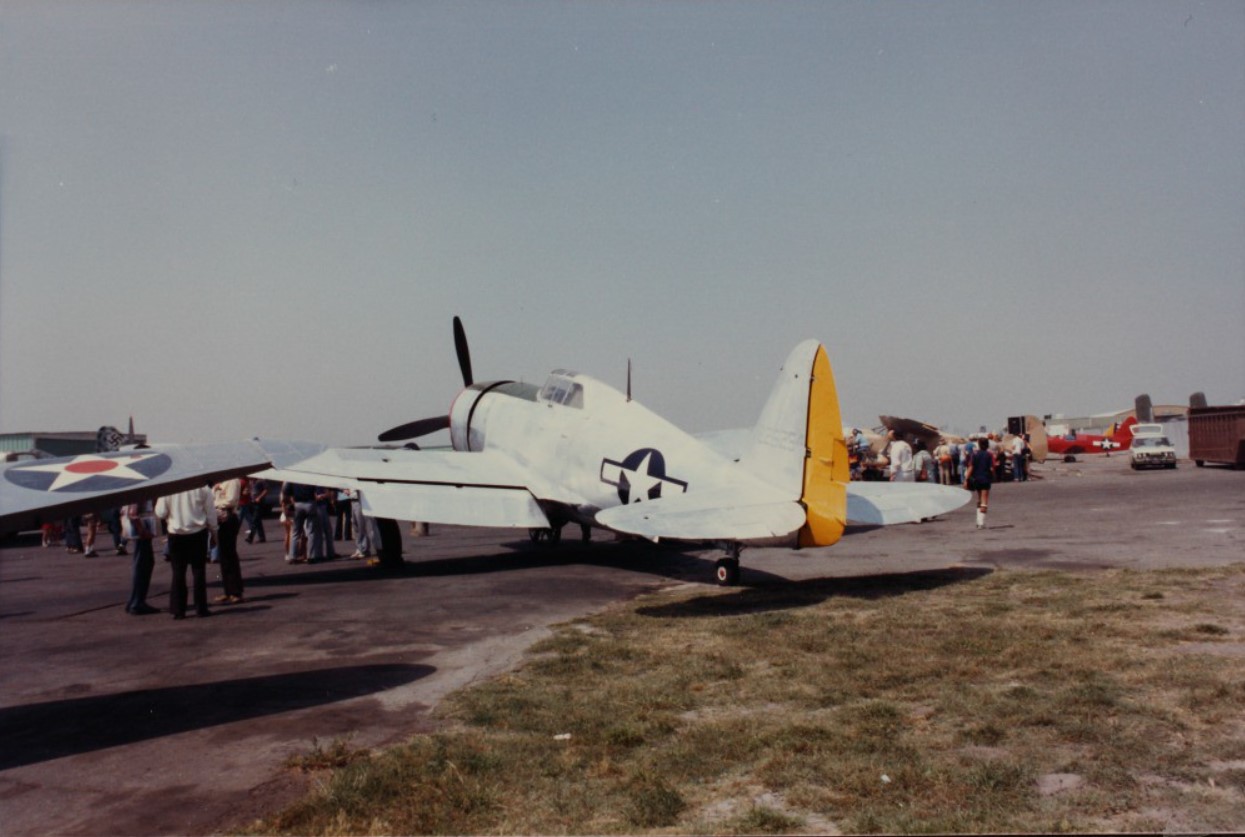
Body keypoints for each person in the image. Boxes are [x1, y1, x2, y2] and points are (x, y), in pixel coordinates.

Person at [156, 484, 219, 619]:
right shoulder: (203, 488)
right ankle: (201, 608)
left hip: (176, 533)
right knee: (198, 571)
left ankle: (178, 610)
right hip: (197, 533)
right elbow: (211, 513)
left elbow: (160, 512)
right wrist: (214, 533)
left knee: (178, 572)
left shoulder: (168, 487)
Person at [123, 499, 160, 615]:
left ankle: (134, 601)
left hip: (141, 533)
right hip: (141, 534)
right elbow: (133, 513)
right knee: (143, 564)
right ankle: (137, 602)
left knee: (143, 563)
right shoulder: (141, 494)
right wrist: (142, 531)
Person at [212, 478, 244, 604]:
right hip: (219, 518)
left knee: (230, 555)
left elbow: (230, 501)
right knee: (224, 556)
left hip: (228, 517)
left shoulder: (233, 481)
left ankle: (236, 592)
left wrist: (214, 504)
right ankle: (228, 590)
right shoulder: (220, 482)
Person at [965, 438, 995, 530]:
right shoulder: (989, 455)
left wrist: (966, 479)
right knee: (984, 500)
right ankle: (981, 522)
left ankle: (978, 521)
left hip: (976, 479)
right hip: (985, 478)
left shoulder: (974, 454)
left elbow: (971, 467)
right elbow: (991, 469)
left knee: (979, 499)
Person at [241, 477, 268, 544]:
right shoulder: (250, 482)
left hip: (259, 503)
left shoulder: (261, 481)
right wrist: (246, 492)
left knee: (255, 520)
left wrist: (259, 498)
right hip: (252, 502)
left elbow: (266, 490)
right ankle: (262, 537)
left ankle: (250, 537)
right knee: (257, 520)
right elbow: (248, 490)